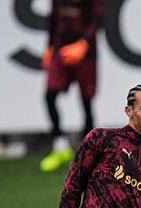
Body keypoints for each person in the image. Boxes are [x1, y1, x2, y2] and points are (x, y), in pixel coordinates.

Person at [40, 0, 105, 172]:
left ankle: (87, 154)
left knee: (86, 102)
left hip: (86, 53)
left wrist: (83, 43)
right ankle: (60, 146)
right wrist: (50, 46)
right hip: (60, 50)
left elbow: (97, 19)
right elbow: (54, 17)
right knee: (50, 96)